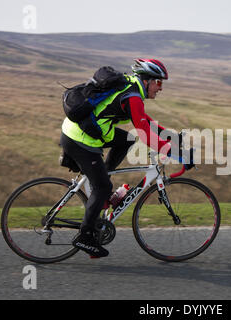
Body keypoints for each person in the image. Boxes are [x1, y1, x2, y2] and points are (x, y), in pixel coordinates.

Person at [60, 58, 194, 257]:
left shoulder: (131, 88)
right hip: (80, 139)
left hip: (86, 133)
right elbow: (146, 135)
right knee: (102, 186)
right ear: (147, 80)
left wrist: (171, 138)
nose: (160, 88)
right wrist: (177, 154)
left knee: (127, 140)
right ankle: (85, 237)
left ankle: (103, 179)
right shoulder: (132, 97)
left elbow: (145, 121)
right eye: (158, 82)